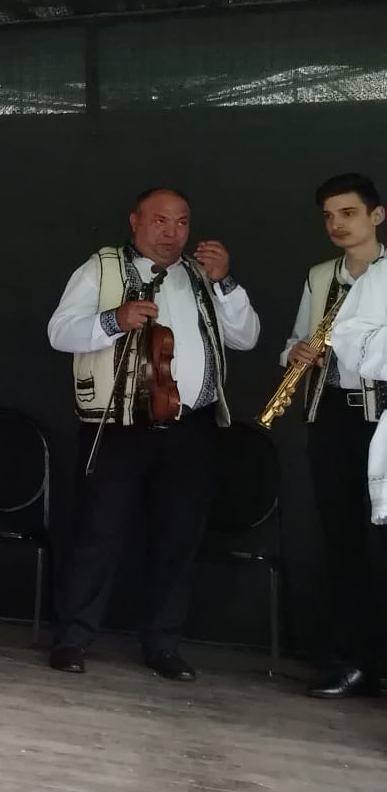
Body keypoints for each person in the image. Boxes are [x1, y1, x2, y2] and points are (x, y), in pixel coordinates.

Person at [46, 188, 261, 681]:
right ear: (135, 221)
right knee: (98, 533)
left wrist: (226, 283)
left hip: (190, 428)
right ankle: (73, 639)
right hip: (119, 425)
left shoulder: (201, 276)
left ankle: (163, 644)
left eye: (182, 222)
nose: (172, 232)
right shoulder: (100, 269)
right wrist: (114, 320)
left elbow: (246, 337)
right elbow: (59, 332)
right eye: (160, 221)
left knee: (178, 537)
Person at [283, 173, 387, 698]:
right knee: (341, 539)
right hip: (332, 418)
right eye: (328, 216)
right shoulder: (321, 275)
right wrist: (298, 352)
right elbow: (293, 342)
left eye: (348, 213)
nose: (337, 224)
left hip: (384, 418)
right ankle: (353, 660)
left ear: (376, 215)